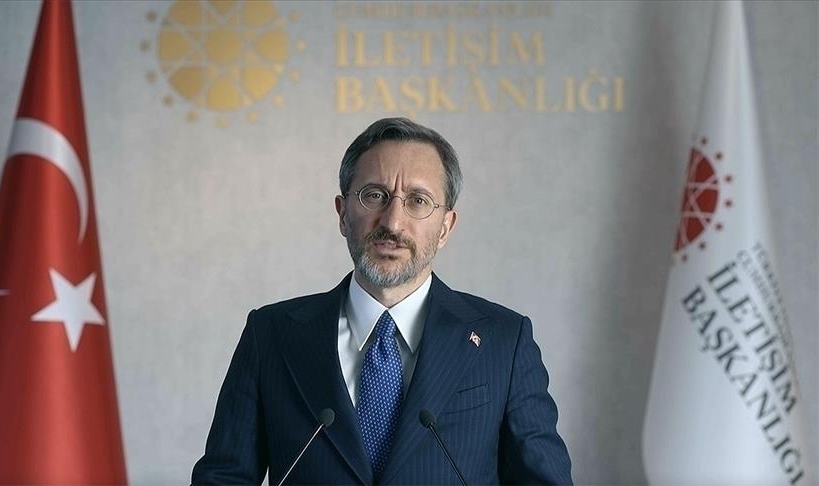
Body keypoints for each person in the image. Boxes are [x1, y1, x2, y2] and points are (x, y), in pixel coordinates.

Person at [191, 118, 572, 485]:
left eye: (418, 200)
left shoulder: (504, 341)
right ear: (343, 214)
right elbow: (223, 478)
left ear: (445, 227)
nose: (392, 222)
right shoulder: (271, 335)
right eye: (375, 196)